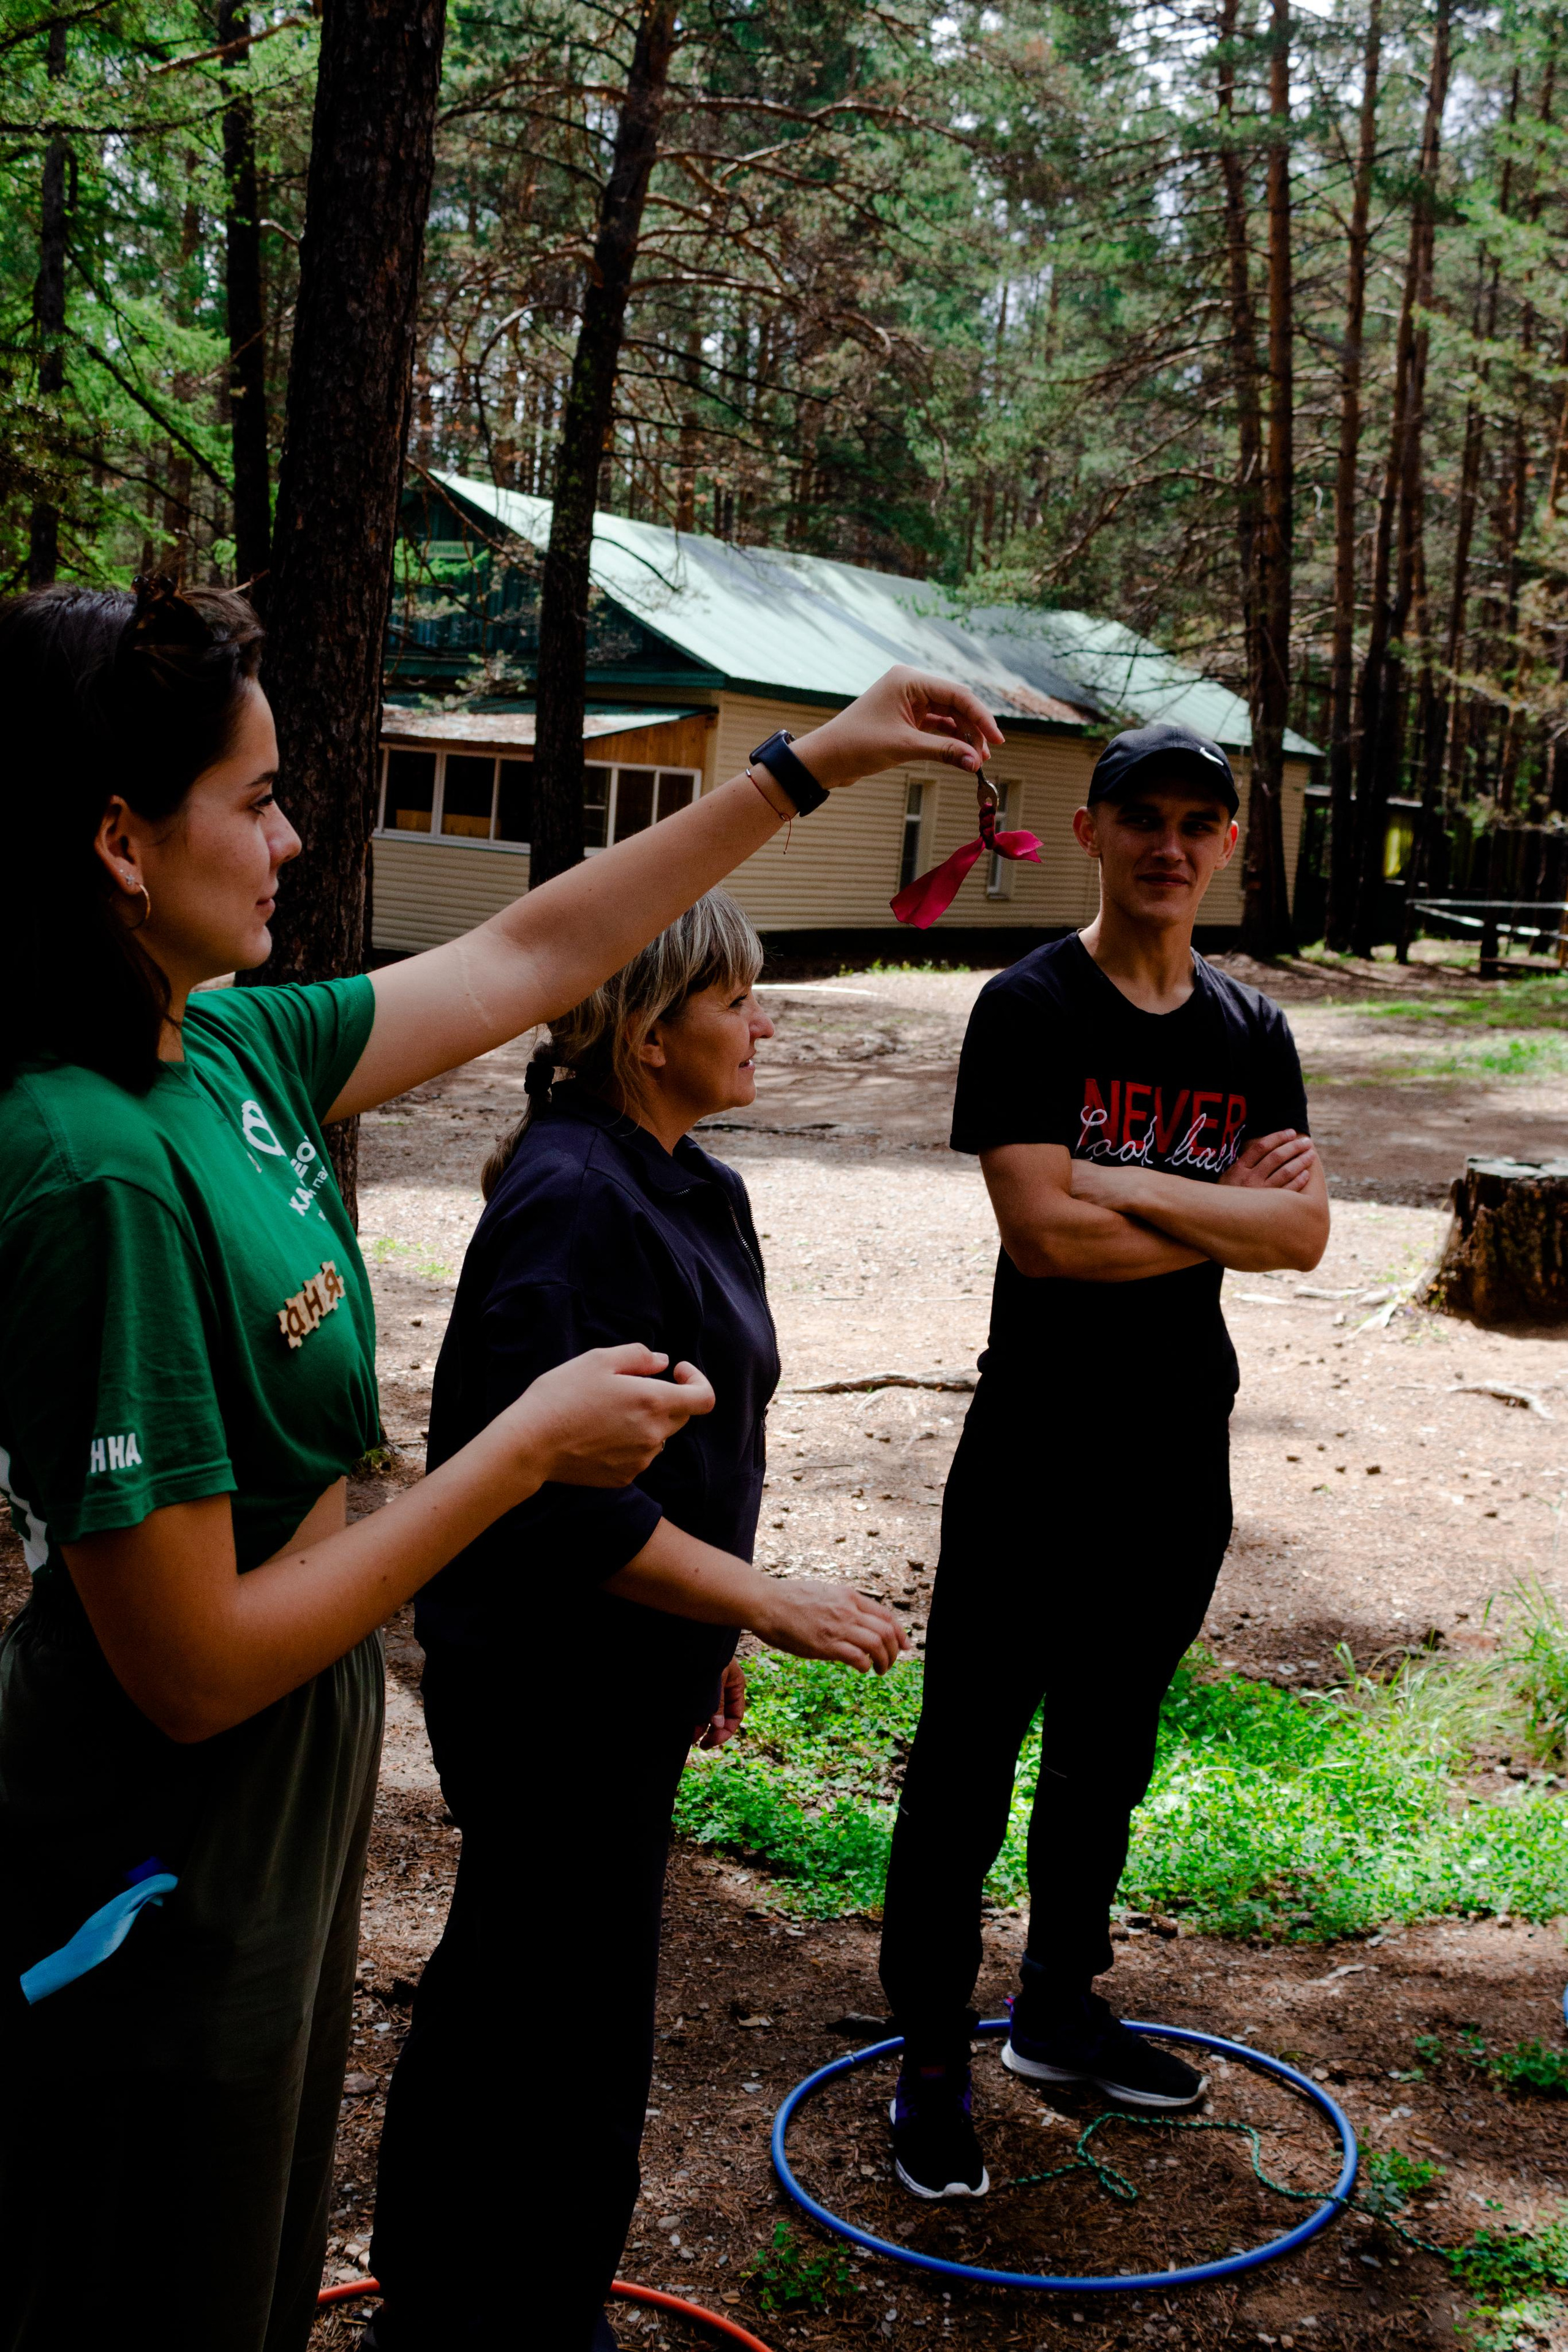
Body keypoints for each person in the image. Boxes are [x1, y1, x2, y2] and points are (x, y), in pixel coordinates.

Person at [0, 573, 1000, 2352]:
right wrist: (522, 1451)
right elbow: (189, 1666)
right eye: (256, 800)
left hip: (293, 1756)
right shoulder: (94, 1166)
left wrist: (809, 769)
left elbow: (534, 954)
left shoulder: (218, 1050)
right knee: (149, 2273)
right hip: (166, 1818)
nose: (293, 839)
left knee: (248, 2240)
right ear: (120, 843)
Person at [365, 892, 910, 2352]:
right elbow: (548, 1506)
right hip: (543, 1684)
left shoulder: (685, 1180)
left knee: (560, 2005)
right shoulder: (572, 1202)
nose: (763, 1024)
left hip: (627, 1671)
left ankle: (513, 2305)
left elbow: (687, 1454)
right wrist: (766, 1603)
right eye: (735, 999)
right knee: (536, 2019)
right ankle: (468, 2316)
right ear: (647, 1031)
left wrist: (703, 1634)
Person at [876, 720, 1330, 2200]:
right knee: (964, 1764)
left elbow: (1301, 1234)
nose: (1169, 847)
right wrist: (1214, 1209)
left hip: (1174, 1454)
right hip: (1033, 1451)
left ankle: (1055, 2011)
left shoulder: (1250, 1033)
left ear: (1227, 847)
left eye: (1199, 824)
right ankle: (929, 2057)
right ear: (1088, 831)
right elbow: (1042, 1239)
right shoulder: (1027, 1008)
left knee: (1103, 1757)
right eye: (1143, 818)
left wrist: (1119, 1179)